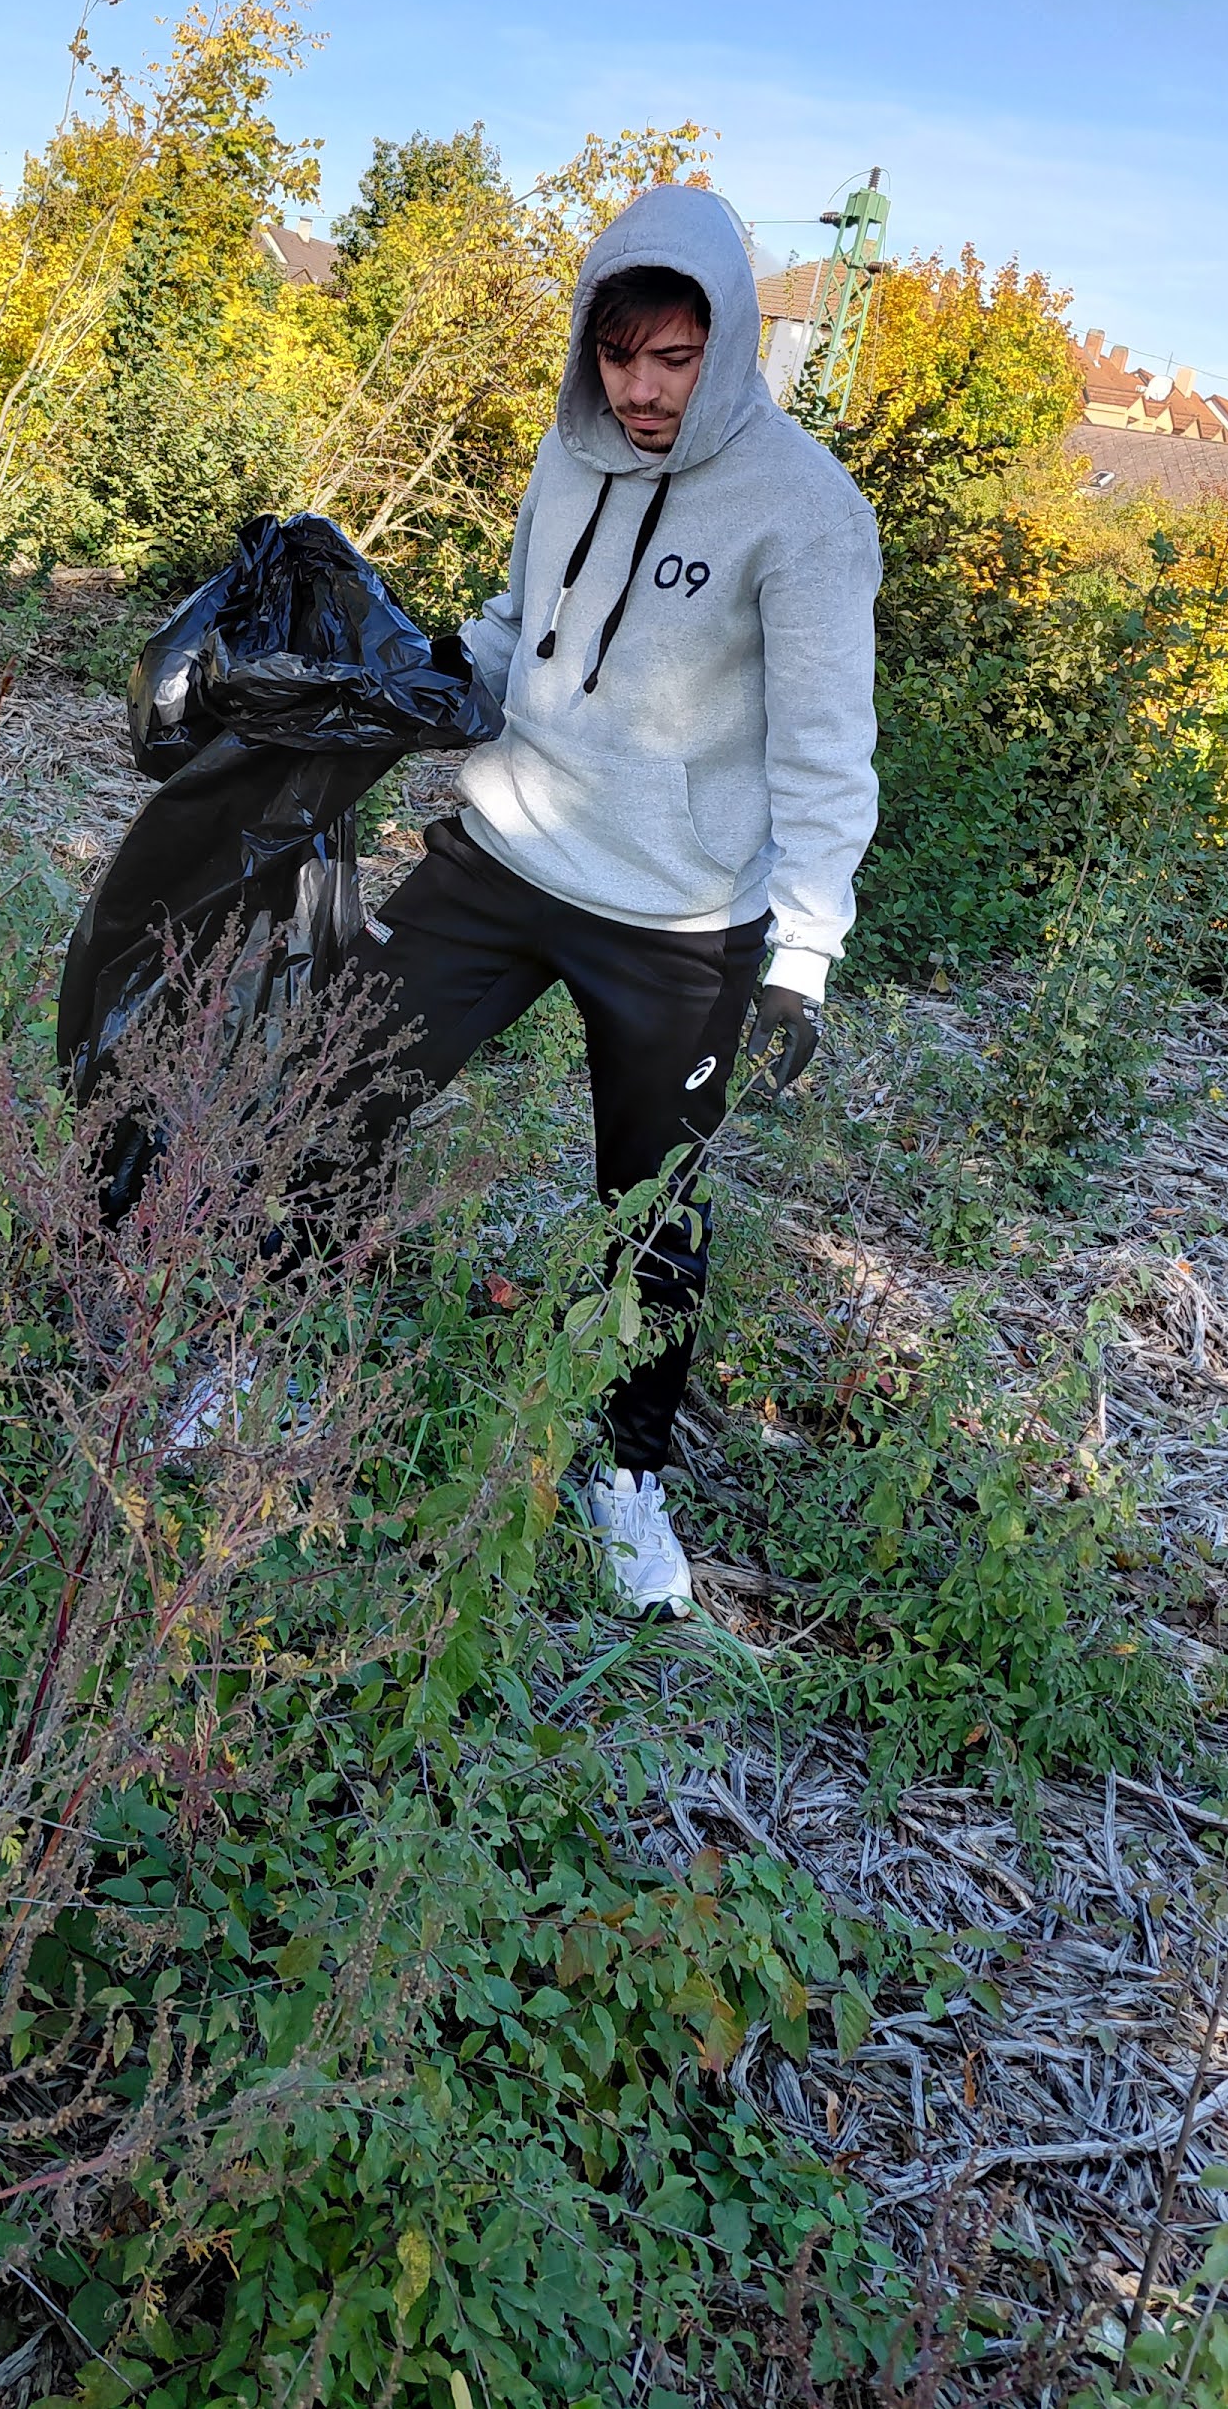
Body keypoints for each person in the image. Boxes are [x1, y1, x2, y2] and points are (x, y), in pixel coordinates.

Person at [338, 182, 881, 1616]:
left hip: (679, 917)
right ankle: (256, 1351)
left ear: (731, 342)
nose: (641, 391)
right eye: (619, 354)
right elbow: (525, 622)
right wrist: (427, 679)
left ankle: (625, 1472)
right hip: (508, 850)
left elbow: (826, 748)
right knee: (334, 1082)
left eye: (675, 360)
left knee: (651, 1213)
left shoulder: (808, 512)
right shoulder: (569, 448)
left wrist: (803, 953)